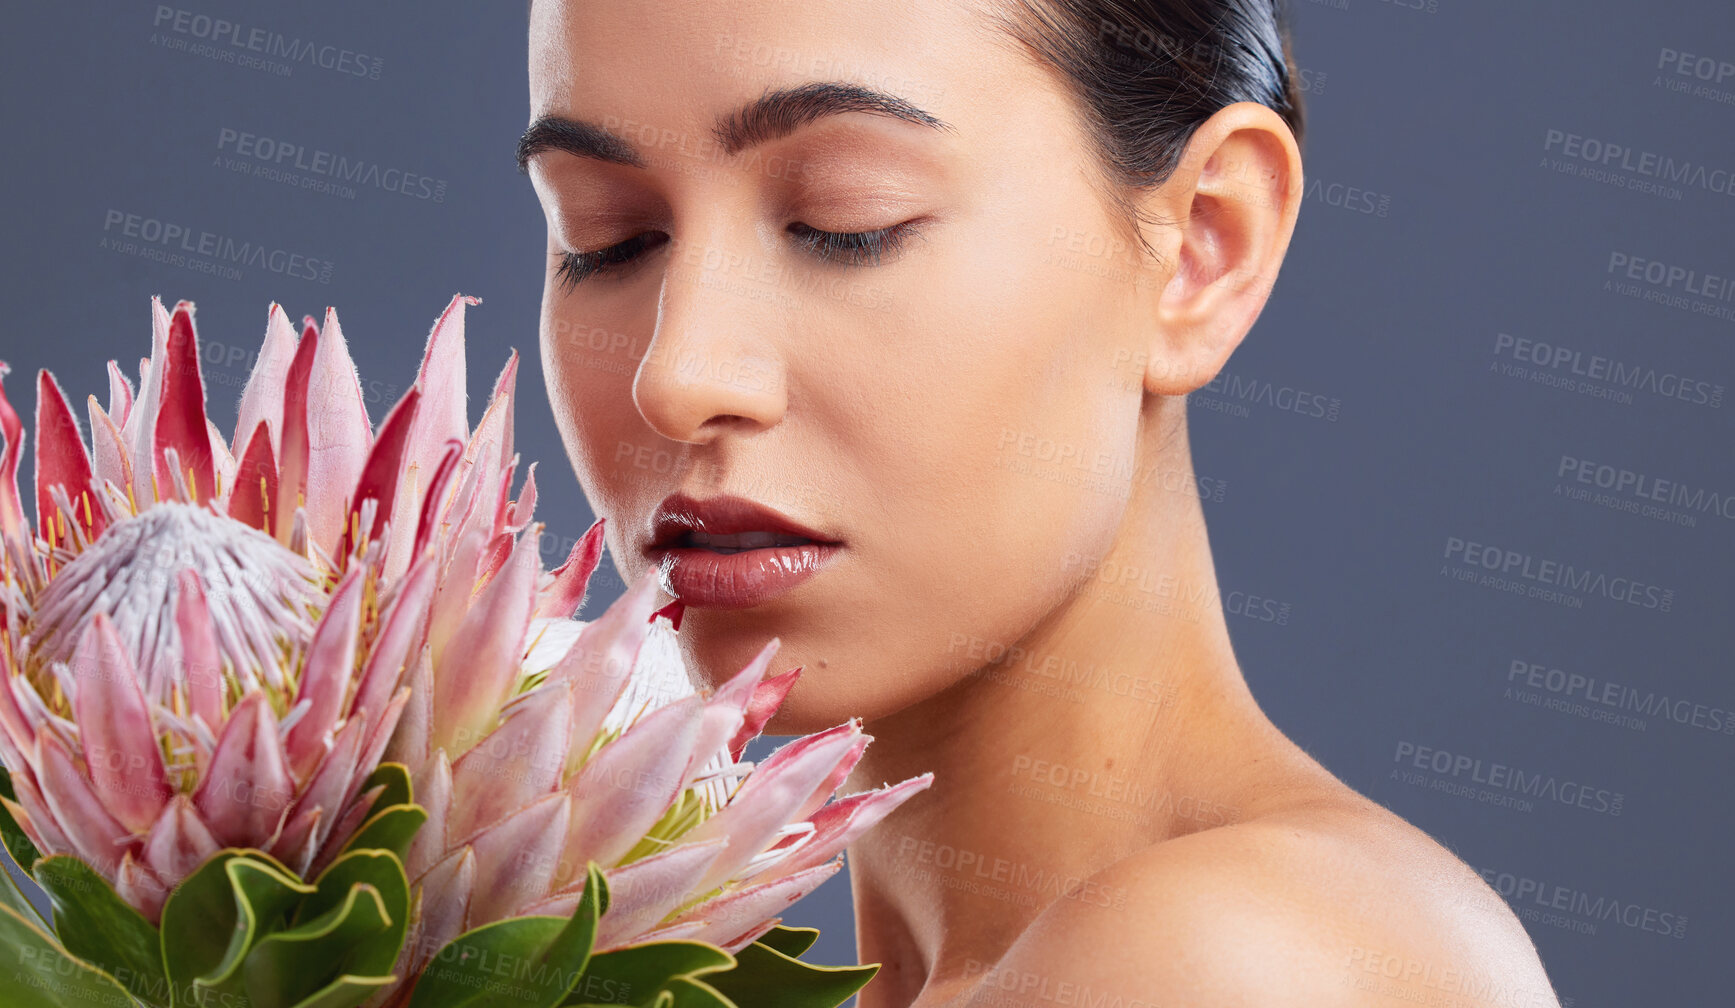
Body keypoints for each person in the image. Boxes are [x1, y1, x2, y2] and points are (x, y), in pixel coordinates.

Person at [517, 1, 1561, 1004]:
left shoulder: (1222, 961)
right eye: (607, 238)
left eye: (846, 221)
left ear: (1204, 244)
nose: (678, 375)